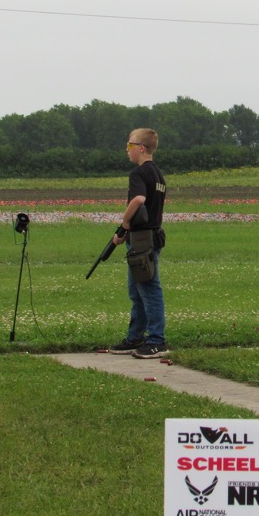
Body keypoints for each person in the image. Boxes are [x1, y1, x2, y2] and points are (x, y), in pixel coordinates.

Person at [108, 128, 168, 359]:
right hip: (151, 236)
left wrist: (124, 224)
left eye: (129, 145)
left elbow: (139, 199)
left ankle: (156, 340)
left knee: (149, 288)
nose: (127, 150)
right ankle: (135, 337)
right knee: (137, 290)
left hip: (143, 239)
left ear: (141, 148)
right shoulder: (158, 175)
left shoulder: (139, 173)